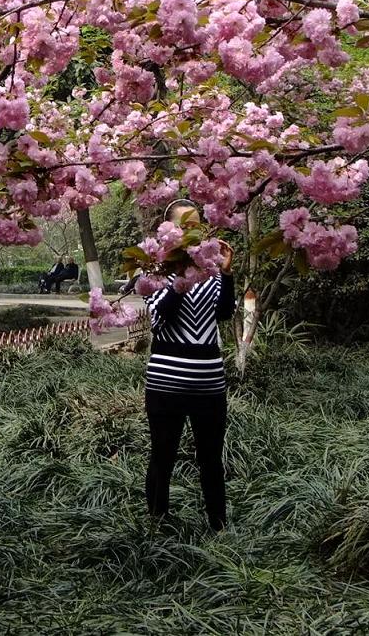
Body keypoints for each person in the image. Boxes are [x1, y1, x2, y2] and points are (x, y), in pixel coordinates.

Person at [143, 203, 236, 531]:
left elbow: (223, 314)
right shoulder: (153, 270)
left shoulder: (211, 270)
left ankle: (218, 525)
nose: (194, 232)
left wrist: (225, 272)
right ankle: (157, 522)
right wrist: (184, 273)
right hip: (166, 383)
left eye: (198, 225)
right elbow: (160, 317)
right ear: (169, 230)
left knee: (211, 458)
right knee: (162, 455)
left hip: (209, 384)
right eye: (186, 226)